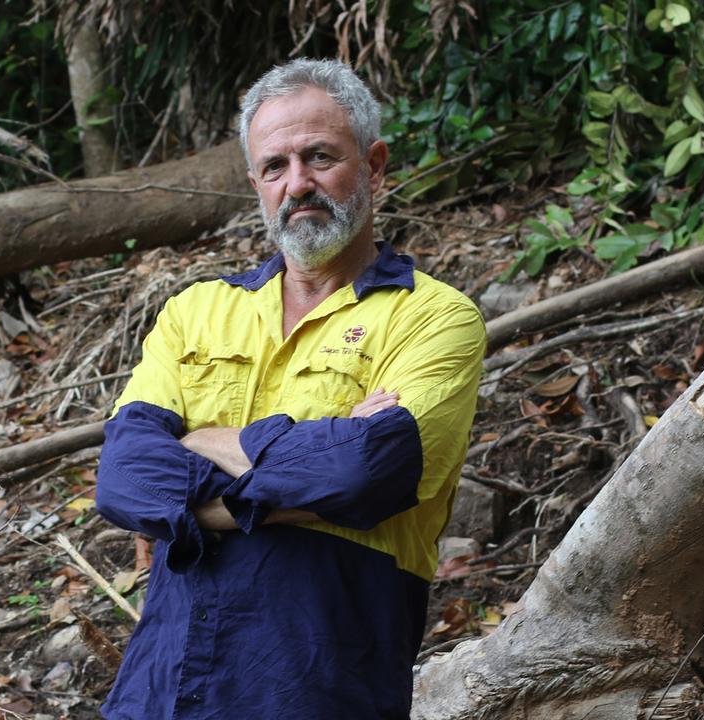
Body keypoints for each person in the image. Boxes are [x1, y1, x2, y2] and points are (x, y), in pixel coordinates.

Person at [94, 58, 486, 719]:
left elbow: (367, 471)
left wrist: (198, 450)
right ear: (256, 184)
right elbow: (124, 479)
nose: (297, 184)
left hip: (316, 688)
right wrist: (312, 457)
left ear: (375, 165)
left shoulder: (434, 317)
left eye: (320, 157)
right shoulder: (197, 311)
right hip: (162, 688)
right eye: (275, 167)